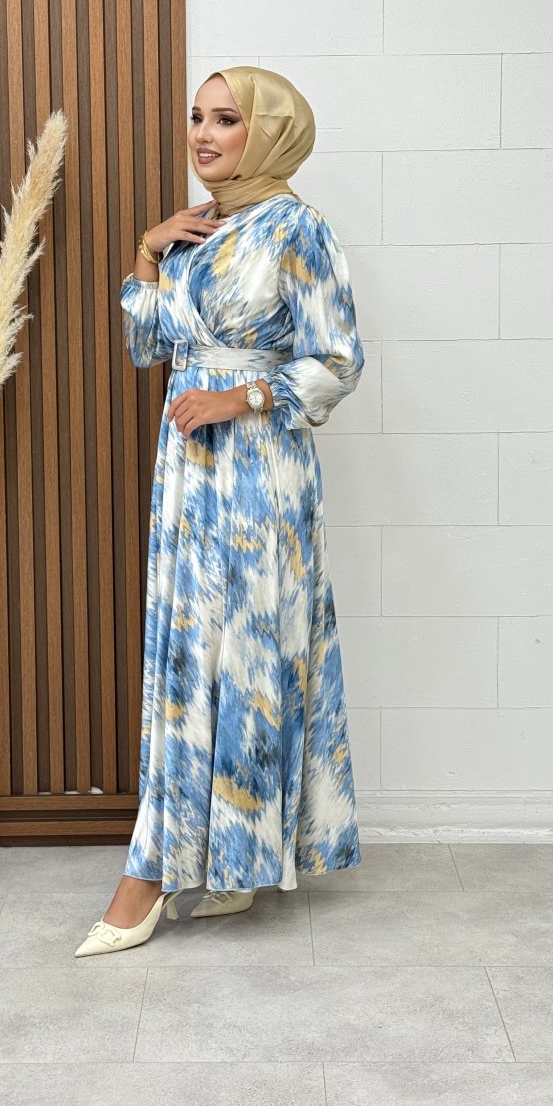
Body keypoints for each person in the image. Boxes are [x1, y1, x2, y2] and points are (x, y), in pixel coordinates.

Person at [75, 65, 365, 957]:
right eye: (197, 116)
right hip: (189, 471)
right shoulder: (204, 228)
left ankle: (150, 876)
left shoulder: (298, 229)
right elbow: (147, 343)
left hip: (257, 473)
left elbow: (339, 360)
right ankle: (228, 862)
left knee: (241, 650)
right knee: (187, 653)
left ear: (266, 133)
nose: (203, 133)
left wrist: (238, 397)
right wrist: (149, 246)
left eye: (226, 119)